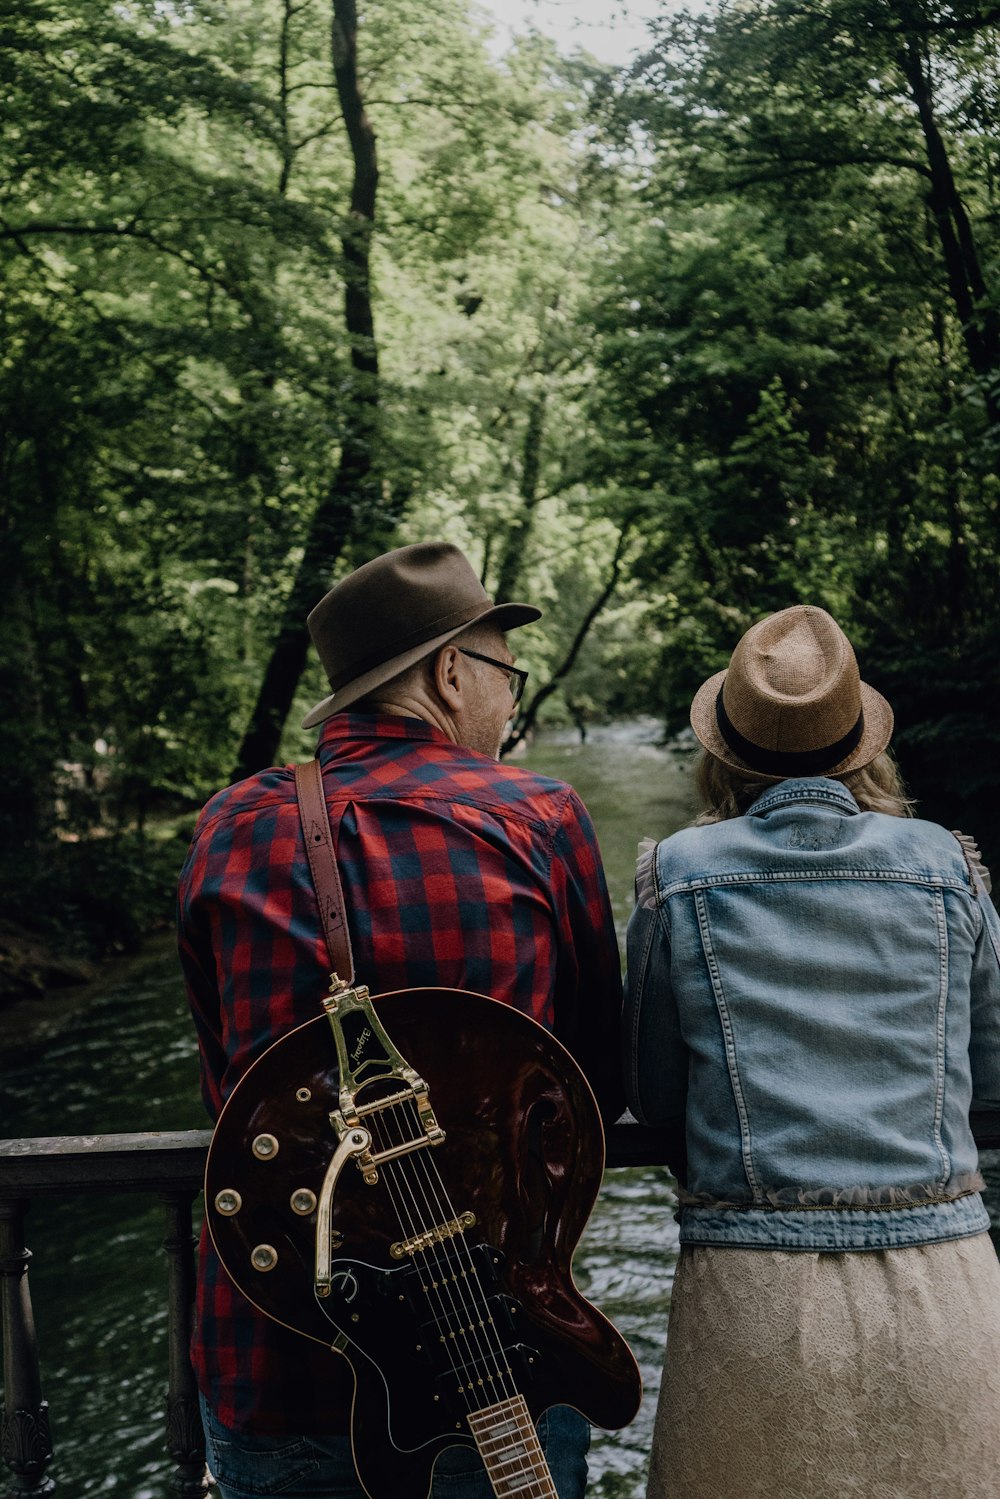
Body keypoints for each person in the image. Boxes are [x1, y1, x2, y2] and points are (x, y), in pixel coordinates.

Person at [178, 540, 625, 1499]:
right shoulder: (538, 817)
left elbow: (233, 1088)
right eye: (509, 674)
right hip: (496, 1351)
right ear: (451, 669)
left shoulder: (227, 827)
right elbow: (591, 1086)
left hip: (277, 1355)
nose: (511, 702)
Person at [624, 604, 1000, 1499]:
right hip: (944, 1289)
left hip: (750, 1298)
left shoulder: (677, 875)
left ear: (724, 751)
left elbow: (651, 1091)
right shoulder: (948, 865)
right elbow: (993, 1065)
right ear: (860, 745)